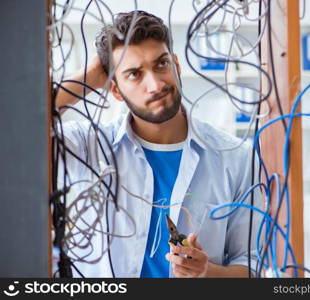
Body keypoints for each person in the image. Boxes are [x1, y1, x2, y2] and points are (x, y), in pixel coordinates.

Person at [56, 10, 260, 278]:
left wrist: (206, 272)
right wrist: (90, 76)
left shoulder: (236, 156)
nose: (155, 84)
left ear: (176, 64)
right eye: (134, 74)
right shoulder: (87, 145)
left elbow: (252, 266)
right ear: (115, 90)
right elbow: (15, 127)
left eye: (161, 64)